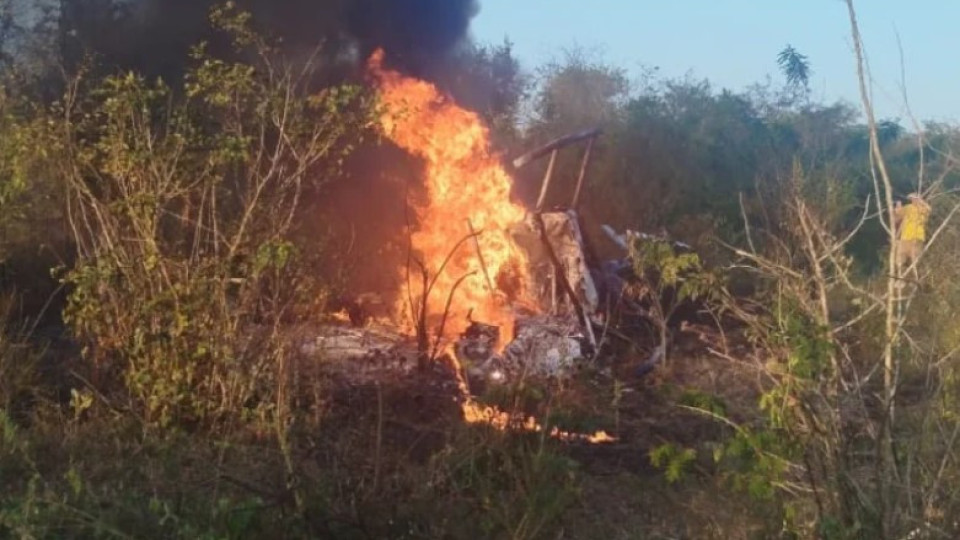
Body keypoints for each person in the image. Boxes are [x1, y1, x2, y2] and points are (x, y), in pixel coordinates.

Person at [894, 192, 931, 279]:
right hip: (905, 237)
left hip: (917, 237)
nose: (913, 200)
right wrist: (898, 206)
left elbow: (929, 210)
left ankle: (917, 278)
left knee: (915, 260)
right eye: (911, 199)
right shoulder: (908, 208)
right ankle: (900, 278)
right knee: (900, 259)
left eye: (914, 198)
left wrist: (920, 202)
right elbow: (898, 216)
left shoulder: (923, 209)